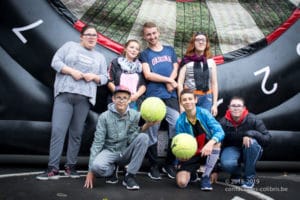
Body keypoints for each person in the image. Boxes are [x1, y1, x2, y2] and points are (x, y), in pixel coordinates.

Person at [36, 25, 108, 180]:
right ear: (81, 36)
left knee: (76, 134)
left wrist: (93, 77)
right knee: (58, 131)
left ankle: (71, 167)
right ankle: (53, 168)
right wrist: (71, 71)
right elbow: (55, 62)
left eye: (94, 35)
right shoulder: (69, 46)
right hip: (65, 95)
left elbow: (104, 78)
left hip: (84, 99)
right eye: (88, 34)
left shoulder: (100, 57)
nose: (91, 38)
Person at [84, 85, 157, 190]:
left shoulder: (135, 115)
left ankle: (130, 175)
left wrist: (147, 125)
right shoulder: (104, 117)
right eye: (118, 97)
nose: (121, 100)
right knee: (96, 168)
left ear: (129, 100)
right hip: (109, 150)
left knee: (143, 137)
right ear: (113, 99)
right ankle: (112, 168)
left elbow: (133, 138)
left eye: (124, 98)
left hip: (125, 151)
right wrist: (90, 171)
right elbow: (97, 142)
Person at [140, 21, 180, 180]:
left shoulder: (170, 50)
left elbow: (176, 67)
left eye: (154, 33)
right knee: (152, 131)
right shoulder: (145, 54)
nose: (152, 36)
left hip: (170, 97)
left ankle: (169, 164)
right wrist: (168, 81)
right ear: (144, 36)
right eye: (148, 34)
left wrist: (171, 80)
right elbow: (148, 75)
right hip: (154, 96)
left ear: (159, 32)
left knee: (176, 125)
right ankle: (154, 165)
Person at [175, 89, 224, 191]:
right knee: (182, 183)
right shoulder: (180, 121)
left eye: (190, 99)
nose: (187, 102)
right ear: (181, 102)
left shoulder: (204, 113)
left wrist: (210, 143)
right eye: (184, 100)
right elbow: (178, 142)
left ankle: (205, 176)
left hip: (207, 151)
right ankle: (192, 173)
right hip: (192, 153)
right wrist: (180, 157)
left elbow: (220, 131)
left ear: (195, 100)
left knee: (217, 142)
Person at [217, 96, 271, 189]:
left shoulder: (253, 119)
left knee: (252, 143)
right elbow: (217, 144)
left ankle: (249, 178)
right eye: (233, 105)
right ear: (229, 108)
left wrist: (250, 134)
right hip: (232, 149)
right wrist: (214, 170)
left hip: (251, 150)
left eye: (239, 106)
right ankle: (236, 174)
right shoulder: (222, 122)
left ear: (244, 108)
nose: (236, 108)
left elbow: (267, 139)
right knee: (226, 163)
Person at [177, 32, 218, 116]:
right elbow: (180, 84)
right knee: (189, 124)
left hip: (207, 98)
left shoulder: (211, 62)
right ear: (193, 43)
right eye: (198, 40)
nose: (201, 42)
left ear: (206, 43)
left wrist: (214, 104)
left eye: (203, 40)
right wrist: (181, 104)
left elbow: (214, 84)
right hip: (189, 98)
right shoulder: (186, 61)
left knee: (204, 125)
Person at [107, 39, 146, 110]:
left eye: (137, 49)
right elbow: (109, 81)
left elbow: (143, 85)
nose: (134, 50)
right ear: (125, 48)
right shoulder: (116, 62)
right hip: (117, 101)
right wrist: (120, 95)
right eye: (131, 47)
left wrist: (136, 96)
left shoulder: (140, 67)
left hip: (133, 102)